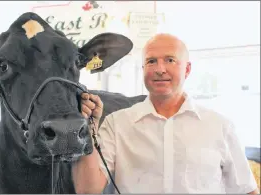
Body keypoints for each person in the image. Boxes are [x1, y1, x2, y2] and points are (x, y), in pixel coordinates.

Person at [72, 33, 259, 194]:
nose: (160, 69)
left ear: (187, 69)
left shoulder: (219, 126)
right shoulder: (116, 124)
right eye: (151, 61)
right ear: (144, 69)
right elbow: (87, 190)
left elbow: (246, 190)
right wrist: (89, 127)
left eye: (170, 60)